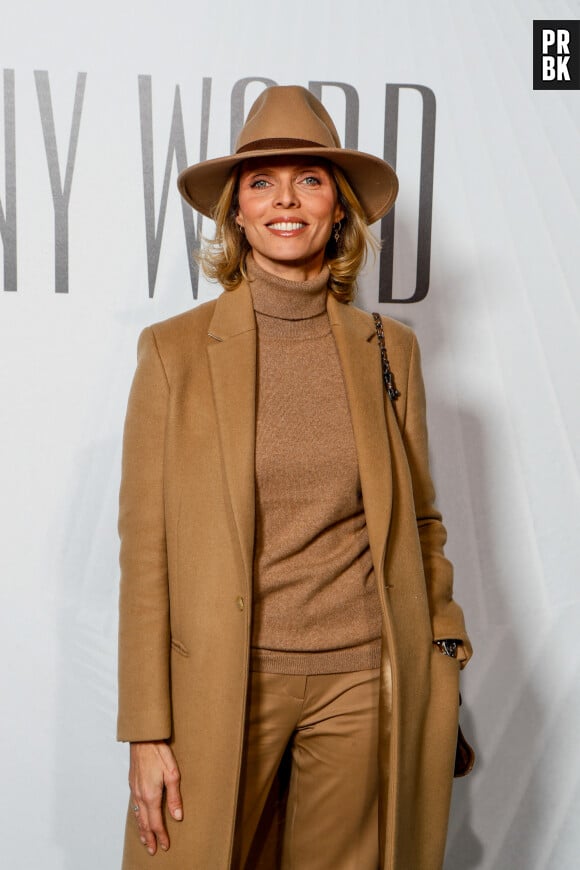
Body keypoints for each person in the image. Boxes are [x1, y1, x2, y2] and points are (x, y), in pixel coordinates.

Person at [117, 85, 472, 870]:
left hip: (362, 679)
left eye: (310, 180)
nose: (286, 199)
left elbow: (419, 517)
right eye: (261, 182)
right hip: (224, 679)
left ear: (338, 210)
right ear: (235, 213)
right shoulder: (173, 352)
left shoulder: (389, 348)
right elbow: (147, 552)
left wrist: (442, 639)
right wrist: (147, 727)